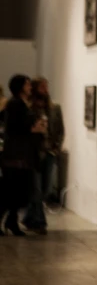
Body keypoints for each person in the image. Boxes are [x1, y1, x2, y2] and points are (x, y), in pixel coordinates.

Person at [0, 75, 46, 236]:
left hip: (21, 155)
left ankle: (11, 222)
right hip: (15, 157)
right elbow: (16, 127)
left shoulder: (21, 104)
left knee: (17, 193)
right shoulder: (14, 104)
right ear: (20, 87)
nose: (29, 87)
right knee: (11, 192)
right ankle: (9, 221)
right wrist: (35, 129)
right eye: (27, 85)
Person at [23, 77, 64, 234]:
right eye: (42, 86)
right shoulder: (29, 109)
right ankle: (40, 222)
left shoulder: (55, 108)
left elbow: (60, 130)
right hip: (33, 153)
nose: (45, 89)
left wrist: (56, 148)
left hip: (49, 153)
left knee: (45, 189)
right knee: (37, 189)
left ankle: (29, 218)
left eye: (46, 86)